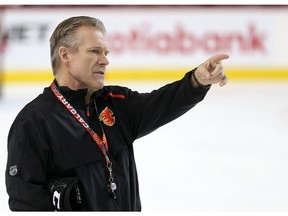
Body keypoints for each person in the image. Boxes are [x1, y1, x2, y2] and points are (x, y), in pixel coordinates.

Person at [5, 16, 229, 211]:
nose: (105, 60)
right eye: (94, 51)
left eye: (105, 52)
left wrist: (197, 81)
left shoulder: (116, 103)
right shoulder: (34, 122)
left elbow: (164, 103)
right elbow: (27, 203)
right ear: (65, 55)